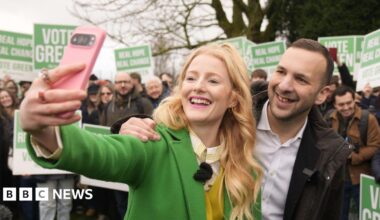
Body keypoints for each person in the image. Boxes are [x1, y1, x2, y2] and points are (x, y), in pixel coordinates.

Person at [20, 43, 263, 220]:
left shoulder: (246, 167)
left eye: (212, 81)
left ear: (233, 98)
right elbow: (100, 153)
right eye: (191, 78)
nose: (198, 87)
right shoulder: (153, 141)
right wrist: (44, 130)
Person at [118, 38, 352, 220]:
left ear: (323, 94)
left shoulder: (331, 153)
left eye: (301, 79)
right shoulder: (232, 116)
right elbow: (182, 120)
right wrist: (131, 125)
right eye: (281, 72)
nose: (285, 85)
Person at [325, 86, 380, 220]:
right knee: (338, 215)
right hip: (337, 178)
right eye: (341, 104)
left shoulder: (369, 119)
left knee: (364, 215)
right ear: (334, 105)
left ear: (354, 100)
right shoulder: (328, 119)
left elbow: (375, 146)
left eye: (349, 103)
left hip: (361, 177)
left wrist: (353, 156)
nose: (346, 107)